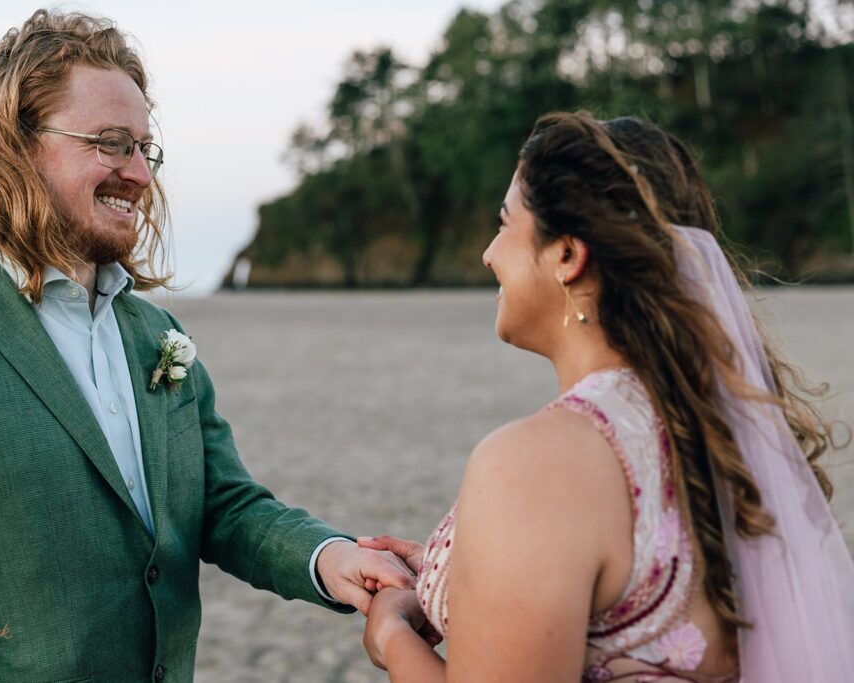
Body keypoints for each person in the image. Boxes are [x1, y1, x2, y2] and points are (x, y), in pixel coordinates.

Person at [0, 10, 415, 682]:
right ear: (16, 147)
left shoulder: (158, 336)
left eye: (144, 147)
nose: (139, 174)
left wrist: (331, 557)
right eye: (111, 144)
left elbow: (224, 504)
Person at [359, 111, 854, 681]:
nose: (488, 253)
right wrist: (452, 573)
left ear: (568, 255)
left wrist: (392, 633)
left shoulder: (537, 466)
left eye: (504, 223)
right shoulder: (718, 432)